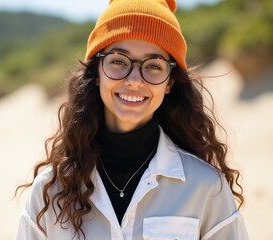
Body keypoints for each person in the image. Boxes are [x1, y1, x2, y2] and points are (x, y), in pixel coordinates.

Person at [15, 0, 249, 239]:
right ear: (97, 73)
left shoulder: (206, 187)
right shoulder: (51, 191)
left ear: (169, 82)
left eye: (154, 66)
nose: (135, 80)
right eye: (118, 61)